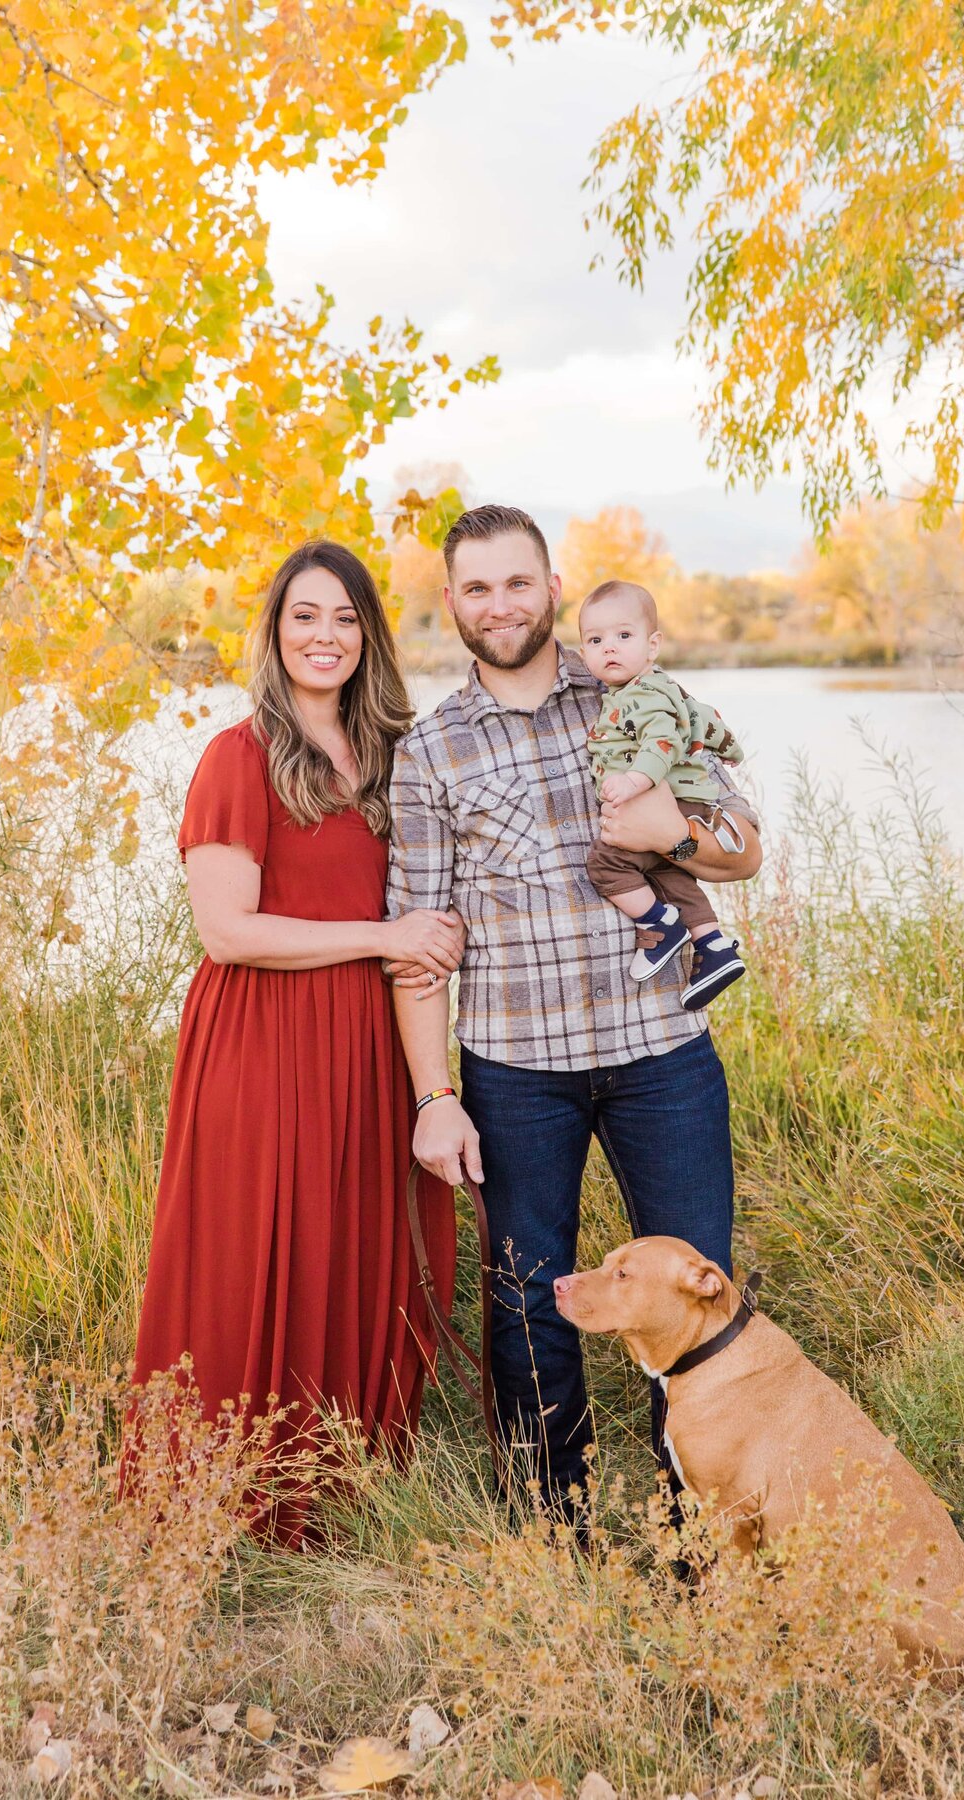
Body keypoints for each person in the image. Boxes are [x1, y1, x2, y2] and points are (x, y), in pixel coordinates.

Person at [384, 504, 761, 1512]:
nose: (499, 604)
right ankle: (555, 1538)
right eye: (476, 588)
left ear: (552, 589)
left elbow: (744, 848)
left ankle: (699, 1531)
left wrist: (670, 830)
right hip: (516, 1073)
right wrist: (433, 1096)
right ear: (453, 603)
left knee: (700, 1296)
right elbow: (419, 949)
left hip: (663, 1057)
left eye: (517, 583)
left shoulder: (638, 693)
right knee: (529, 1307)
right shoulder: (430, 752)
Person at [125, 539, 463, 1546]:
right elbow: (227, 931)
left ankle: (338, 1490)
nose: (326, 636)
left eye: (346, 618)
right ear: (276, 632)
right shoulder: (240, 756)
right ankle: (219, 1504)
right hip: (265, 1048)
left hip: (368, 1049)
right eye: (305, 615)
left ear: (371, 636)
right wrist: (385, 935)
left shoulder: (399, 755)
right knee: (258, 1254)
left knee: (355, 1254)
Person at [579, 577, 748, 1008]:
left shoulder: (644, 695)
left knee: (606, 863)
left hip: (671, 800)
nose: (610, 648)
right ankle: (712, 947)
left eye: (623, 636)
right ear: (583, 653)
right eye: (596, 640)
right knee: (669, 873)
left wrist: (635, 781)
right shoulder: (651, 689)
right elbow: (704, 717)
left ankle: (659, 924)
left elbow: (661, 743)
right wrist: (729, 747)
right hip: (684, 804)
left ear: (652, 645)